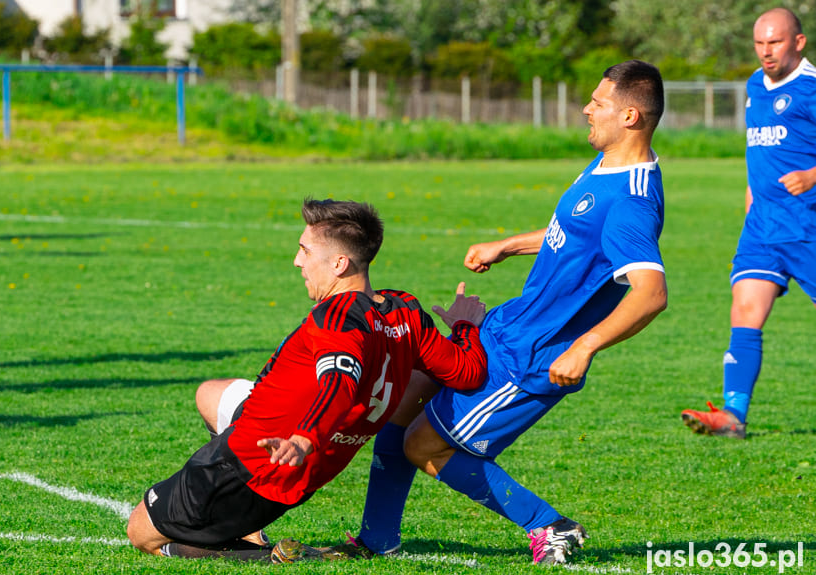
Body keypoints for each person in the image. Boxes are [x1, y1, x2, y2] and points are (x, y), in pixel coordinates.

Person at [273, 60, 668, 566]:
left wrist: (585, 347)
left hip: (534, 357)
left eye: (599, 102)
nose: (586, 108)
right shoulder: (606, 164)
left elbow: (650, 292)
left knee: (425, 448)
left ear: (631, 116)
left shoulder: (632, 201)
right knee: (401, 405)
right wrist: (509, 245)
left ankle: (550, 526)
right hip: (507, 327)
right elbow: (572, 238)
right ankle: (375, 541)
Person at [126, 198, 488, 561]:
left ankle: (276, 555)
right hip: (306, 455)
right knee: (210, 394)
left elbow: (339, 381)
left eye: (304, 250)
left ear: (339, 263)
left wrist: (303, 438)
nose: (297, 260)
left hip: (261, 463)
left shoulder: (338, 320)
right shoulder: (403, 309)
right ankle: (246, 529)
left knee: (141, 534)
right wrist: (464, 327)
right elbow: (467, 372)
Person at [681, 8, 816, 439]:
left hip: (808, 227)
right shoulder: (755, 86)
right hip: (761, 228)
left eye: (774, 42)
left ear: (798, 42)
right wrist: (749, 208)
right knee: (744, 310)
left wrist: (812, 176)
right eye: (759, 43)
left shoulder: (812, 90)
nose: (765, 52)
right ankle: (733, 415)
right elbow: (756, 156)